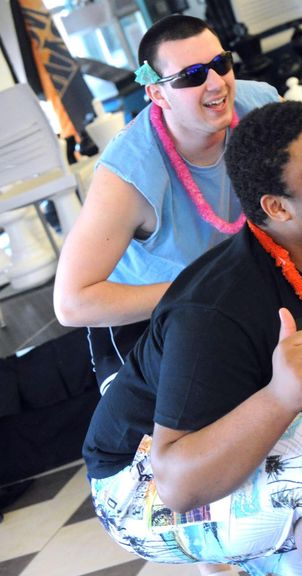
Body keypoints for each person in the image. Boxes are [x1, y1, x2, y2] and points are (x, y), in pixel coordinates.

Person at [82, 100, 302, 576]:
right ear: (277, 207)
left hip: (268, 448)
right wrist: (279, 397)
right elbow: (177, 484)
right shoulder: (219, 307)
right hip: (140, 484)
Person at [54, 15, 280, 395]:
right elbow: (71, 303)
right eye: (192, 75)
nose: (215, 83)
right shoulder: (129, 174)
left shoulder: (259, 105)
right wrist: (207, 287)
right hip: (140, 320)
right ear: (158, 94)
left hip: (232, 293)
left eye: (220, 63)